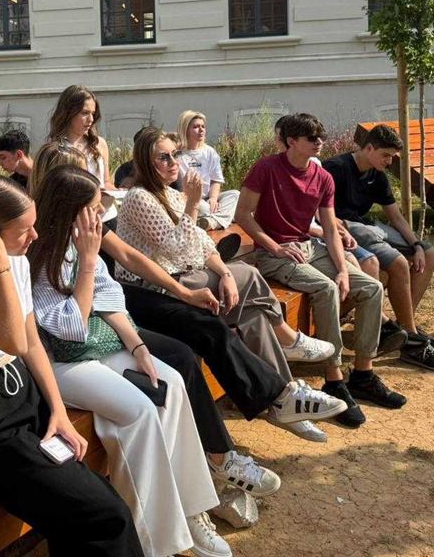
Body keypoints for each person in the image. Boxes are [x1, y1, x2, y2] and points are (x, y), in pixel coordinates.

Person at [0, 175, 144, 557]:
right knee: (105, 515)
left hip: (23, 397)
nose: (35, 236)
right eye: (24, 229)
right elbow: (11, 340)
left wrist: (57, 410)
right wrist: (1, 267)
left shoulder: (17, 263)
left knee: (86, 509)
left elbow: (31, 345)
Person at [29, 166, 234, 557]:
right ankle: (156, 541)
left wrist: (138, 346)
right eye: (93, 207)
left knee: (170, 384)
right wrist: (88, 262)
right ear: (70, 211)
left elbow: (109, 299)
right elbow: (71, 327)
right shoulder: (39, 256)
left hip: (99, 346)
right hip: (62, 363)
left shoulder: (79, 243)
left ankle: (189, 511)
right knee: (139, 412)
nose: (100, 213)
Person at [118, 129, 347, 442]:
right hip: (158, 287)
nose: (173, 162)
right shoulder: (139, 197)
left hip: (187, 272)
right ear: (146, 161)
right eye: (163, 157)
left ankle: (285, 401)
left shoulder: (170, 193)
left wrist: (225, 273)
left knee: (253, 314)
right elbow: (175, 248)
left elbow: (201, 243)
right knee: (249, 275)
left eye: (175, 155)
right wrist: (192, 204)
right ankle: (288, 344)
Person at [236, 113, 405, 428]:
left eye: (321, 137)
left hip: (310, 248)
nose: (319, 143)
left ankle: (363, 374)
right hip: (274, 253)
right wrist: (275, 247)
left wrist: (343, 269)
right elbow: (243, 214)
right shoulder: (266, 168)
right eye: (312, 138)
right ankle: (334, 378)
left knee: (371, 288)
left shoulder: (322, 176)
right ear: (291, 141)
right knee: (326, 289)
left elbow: (329, 228)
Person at [322, 125, 434, 372]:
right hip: (343, 228)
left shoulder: (377, 175)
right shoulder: (336, 168)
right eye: (386, 155)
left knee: (428, 252)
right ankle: (411, 343)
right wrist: (341, 228)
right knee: (398, 263)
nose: (390, 161)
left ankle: (403, 328)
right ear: (369, 148)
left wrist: (416, 245)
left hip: (367, 226)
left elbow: (396, 217)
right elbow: (320, 211)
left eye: (392, 156)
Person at [177, 111, 238, 231]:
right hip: (190, 199)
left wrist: (213, 198)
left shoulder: (210, 152)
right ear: (185, 129)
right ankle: (222, 218)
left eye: (203, 126)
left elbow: (216, 180)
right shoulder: (177, 154)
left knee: (235, 195)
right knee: (204, 208)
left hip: (208, 197)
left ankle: (211, 222)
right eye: (196, 127)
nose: (201, 130)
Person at [48, 85, 113, 188]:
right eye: (85, 113)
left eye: (93, 113)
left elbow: (106, 182)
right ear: (69, 113)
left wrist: (121, 192)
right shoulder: (56, 149)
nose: (91, 119)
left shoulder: (99, 143)